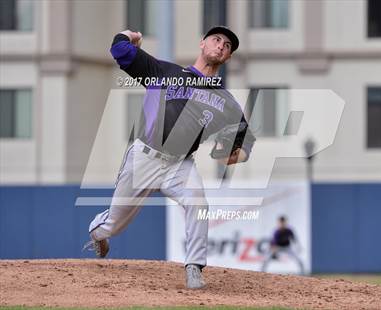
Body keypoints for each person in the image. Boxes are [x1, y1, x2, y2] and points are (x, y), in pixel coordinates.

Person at [83, 26, 255, 289]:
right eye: (216, 39)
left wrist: (234, 156)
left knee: (199, 206)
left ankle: (194, 268)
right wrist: (130, 36)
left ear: (228, 57)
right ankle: (98, 234)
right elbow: (119, 50)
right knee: (112, 226)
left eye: (227, 45)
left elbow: (244, 142)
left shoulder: (226, 100)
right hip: (145, 158)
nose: (221, 45)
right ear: (202, 44)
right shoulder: (164, 72)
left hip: (180, 165)